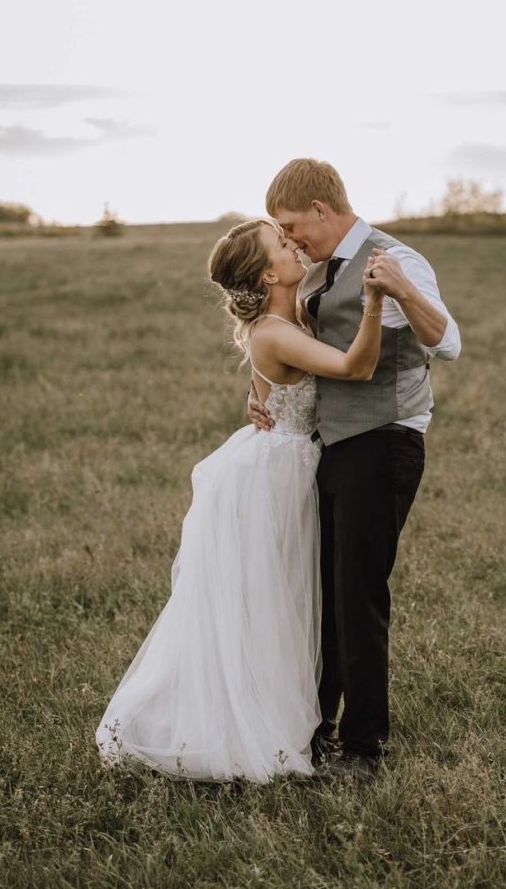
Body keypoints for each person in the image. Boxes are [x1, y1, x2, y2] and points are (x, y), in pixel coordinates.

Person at [95, 218, 385, 783]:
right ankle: (245, 718)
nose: (294, 244)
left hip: (295, 458)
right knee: (270, 598)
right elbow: (353, 366)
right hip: (277, 472)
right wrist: (376, 298)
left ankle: (293, 711)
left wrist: (256, 395)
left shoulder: (295, 310)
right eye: (283, 244)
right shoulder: (273, 331)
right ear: (267, 272)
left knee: (291, 596)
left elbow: (278, 385)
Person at [249, 159, 461, 783]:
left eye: (293, 225)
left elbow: (447, 343)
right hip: (334, 444)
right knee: (330, 595)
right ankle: (317, 727)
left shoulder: (398, 258)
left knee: (358, 597)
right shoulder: (317, 265)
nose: (290, 239)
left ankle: (364, 749)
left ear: (321, 209)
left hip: (384, 439)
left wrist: (402, 290)